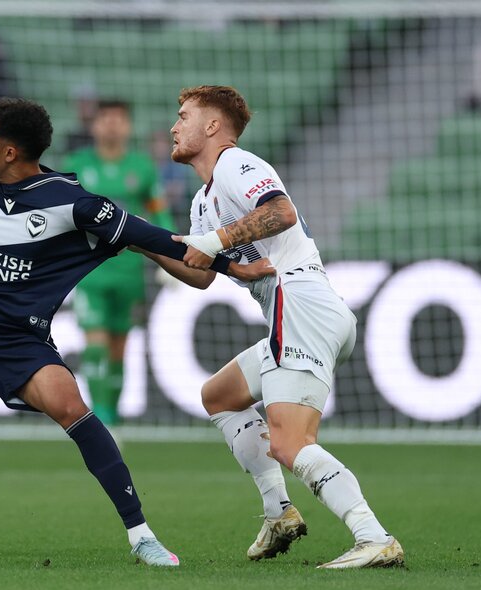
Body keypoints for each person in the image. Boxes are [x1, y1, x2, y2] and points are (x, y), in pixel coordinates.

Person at [0, 97, 273, 567]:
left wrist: (229, 267)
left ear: (12, 151)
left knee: (73, 409)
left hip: (19, 338)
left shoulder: (73, 203)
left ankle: (142, 537)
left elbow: (149, 236)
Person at [146, 85, 404, 569]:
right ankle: (279, 511)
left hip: (299, 301)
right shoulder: (204, 201)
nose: (174, 126)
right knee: (219, 396)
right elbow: (200, 274)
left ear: (212, 126)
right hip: (296, 311)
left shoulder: (235, 164)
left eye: (183, 116)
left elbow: (281, 212)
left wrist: (218, 239)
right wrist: (136, 241)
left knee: (289, 442)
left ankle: (373, 536)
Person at [62, 100, 172, 429]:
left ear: (128, 127)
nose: (111, 124)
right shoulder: (76, 165)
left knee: (118, 348)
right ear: (94, 126)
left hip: (129, 272)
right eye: (105, 118)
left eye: (119, 119)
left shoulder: (143, 168)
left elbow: (159, 211)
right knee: (94, 345)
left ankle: (113, 413)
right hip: (89, 271)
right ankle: (100, 416)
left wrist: (169, 255)